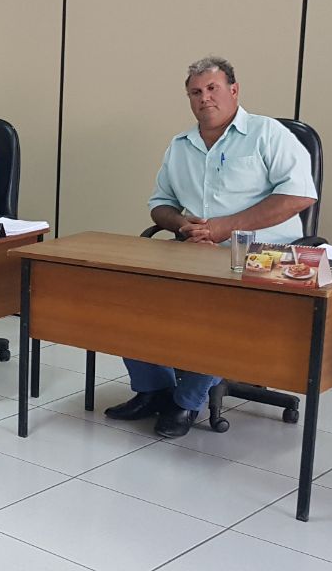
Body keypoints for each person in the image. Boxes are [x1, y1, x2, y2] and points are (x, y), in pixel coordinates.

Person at [105, 56, 317, 438]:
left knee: (221, 310)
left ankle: (186, 401)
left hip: (265, 255)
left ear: (234, 90)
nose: (204, 98)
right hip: (196, 252)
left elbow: (299, 196)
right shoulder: (180, 145)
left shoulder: (268, 133)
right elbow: (160, 205)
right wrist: (182, 224)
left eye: (212, 88)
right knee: (126, 292)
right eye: (195, 92)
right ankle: (153, 389)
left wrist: (224, 228)